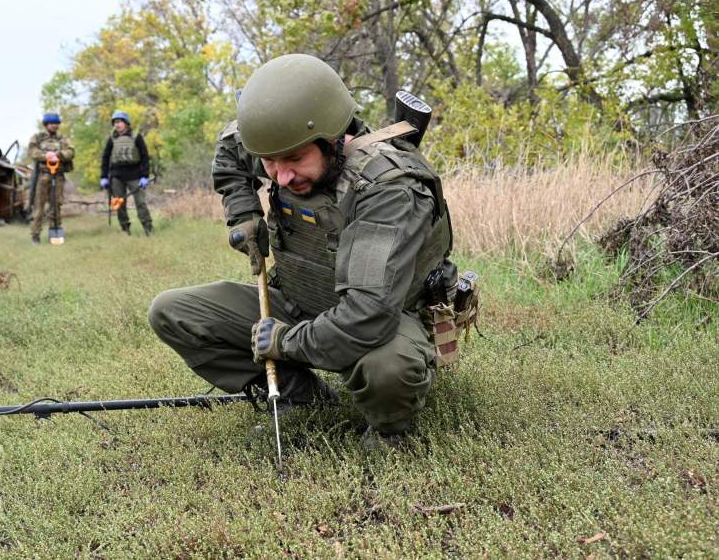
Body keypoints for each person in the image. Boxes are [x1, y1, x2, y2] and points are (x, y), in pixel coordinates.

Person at [148, 54, 456, 447]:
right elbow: (230, 150)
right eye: (270, 163)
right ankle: (303, 397)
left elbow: (368, 315)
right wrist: (243, 216)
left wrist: (284, 342)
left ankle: (388, 431)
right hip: (299, 297)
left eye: (294, 159)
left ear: (333, 139)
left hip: (384, 317)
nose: (282, 176)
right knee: (173, 313)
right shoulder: (281, 147)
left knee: (387, 370)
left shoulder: (387, 189)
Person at [100, 110, 153, 236]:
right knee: (119, 203)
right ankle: (125, 229)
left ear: (126, 123)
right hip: (117, 176)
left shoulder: (136, 137)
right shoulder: (112, 139)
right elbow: (105, 158)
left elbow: (145, 157)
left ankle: (148, 228)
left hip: (135, 175)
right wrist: (103, 176)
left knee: (140, 203)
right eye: (115, 123)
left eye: (119, 122)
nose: (117, 125)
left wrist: (145, 176)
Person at [27, 112, 75, 244]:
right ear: (46, 124)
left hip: (58, 176)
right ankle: (35, 235)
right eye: (51, 123)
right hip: (43, 175)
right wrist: (46, 156)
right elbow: (32, 151)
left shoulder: (63, 139)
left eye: (56, 123)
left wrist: (58, 155)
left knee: (56, 205)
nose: (54, 126)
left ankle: (55, 234)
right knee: (39, 207)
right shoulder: (38, 137)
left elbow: (71, 151)